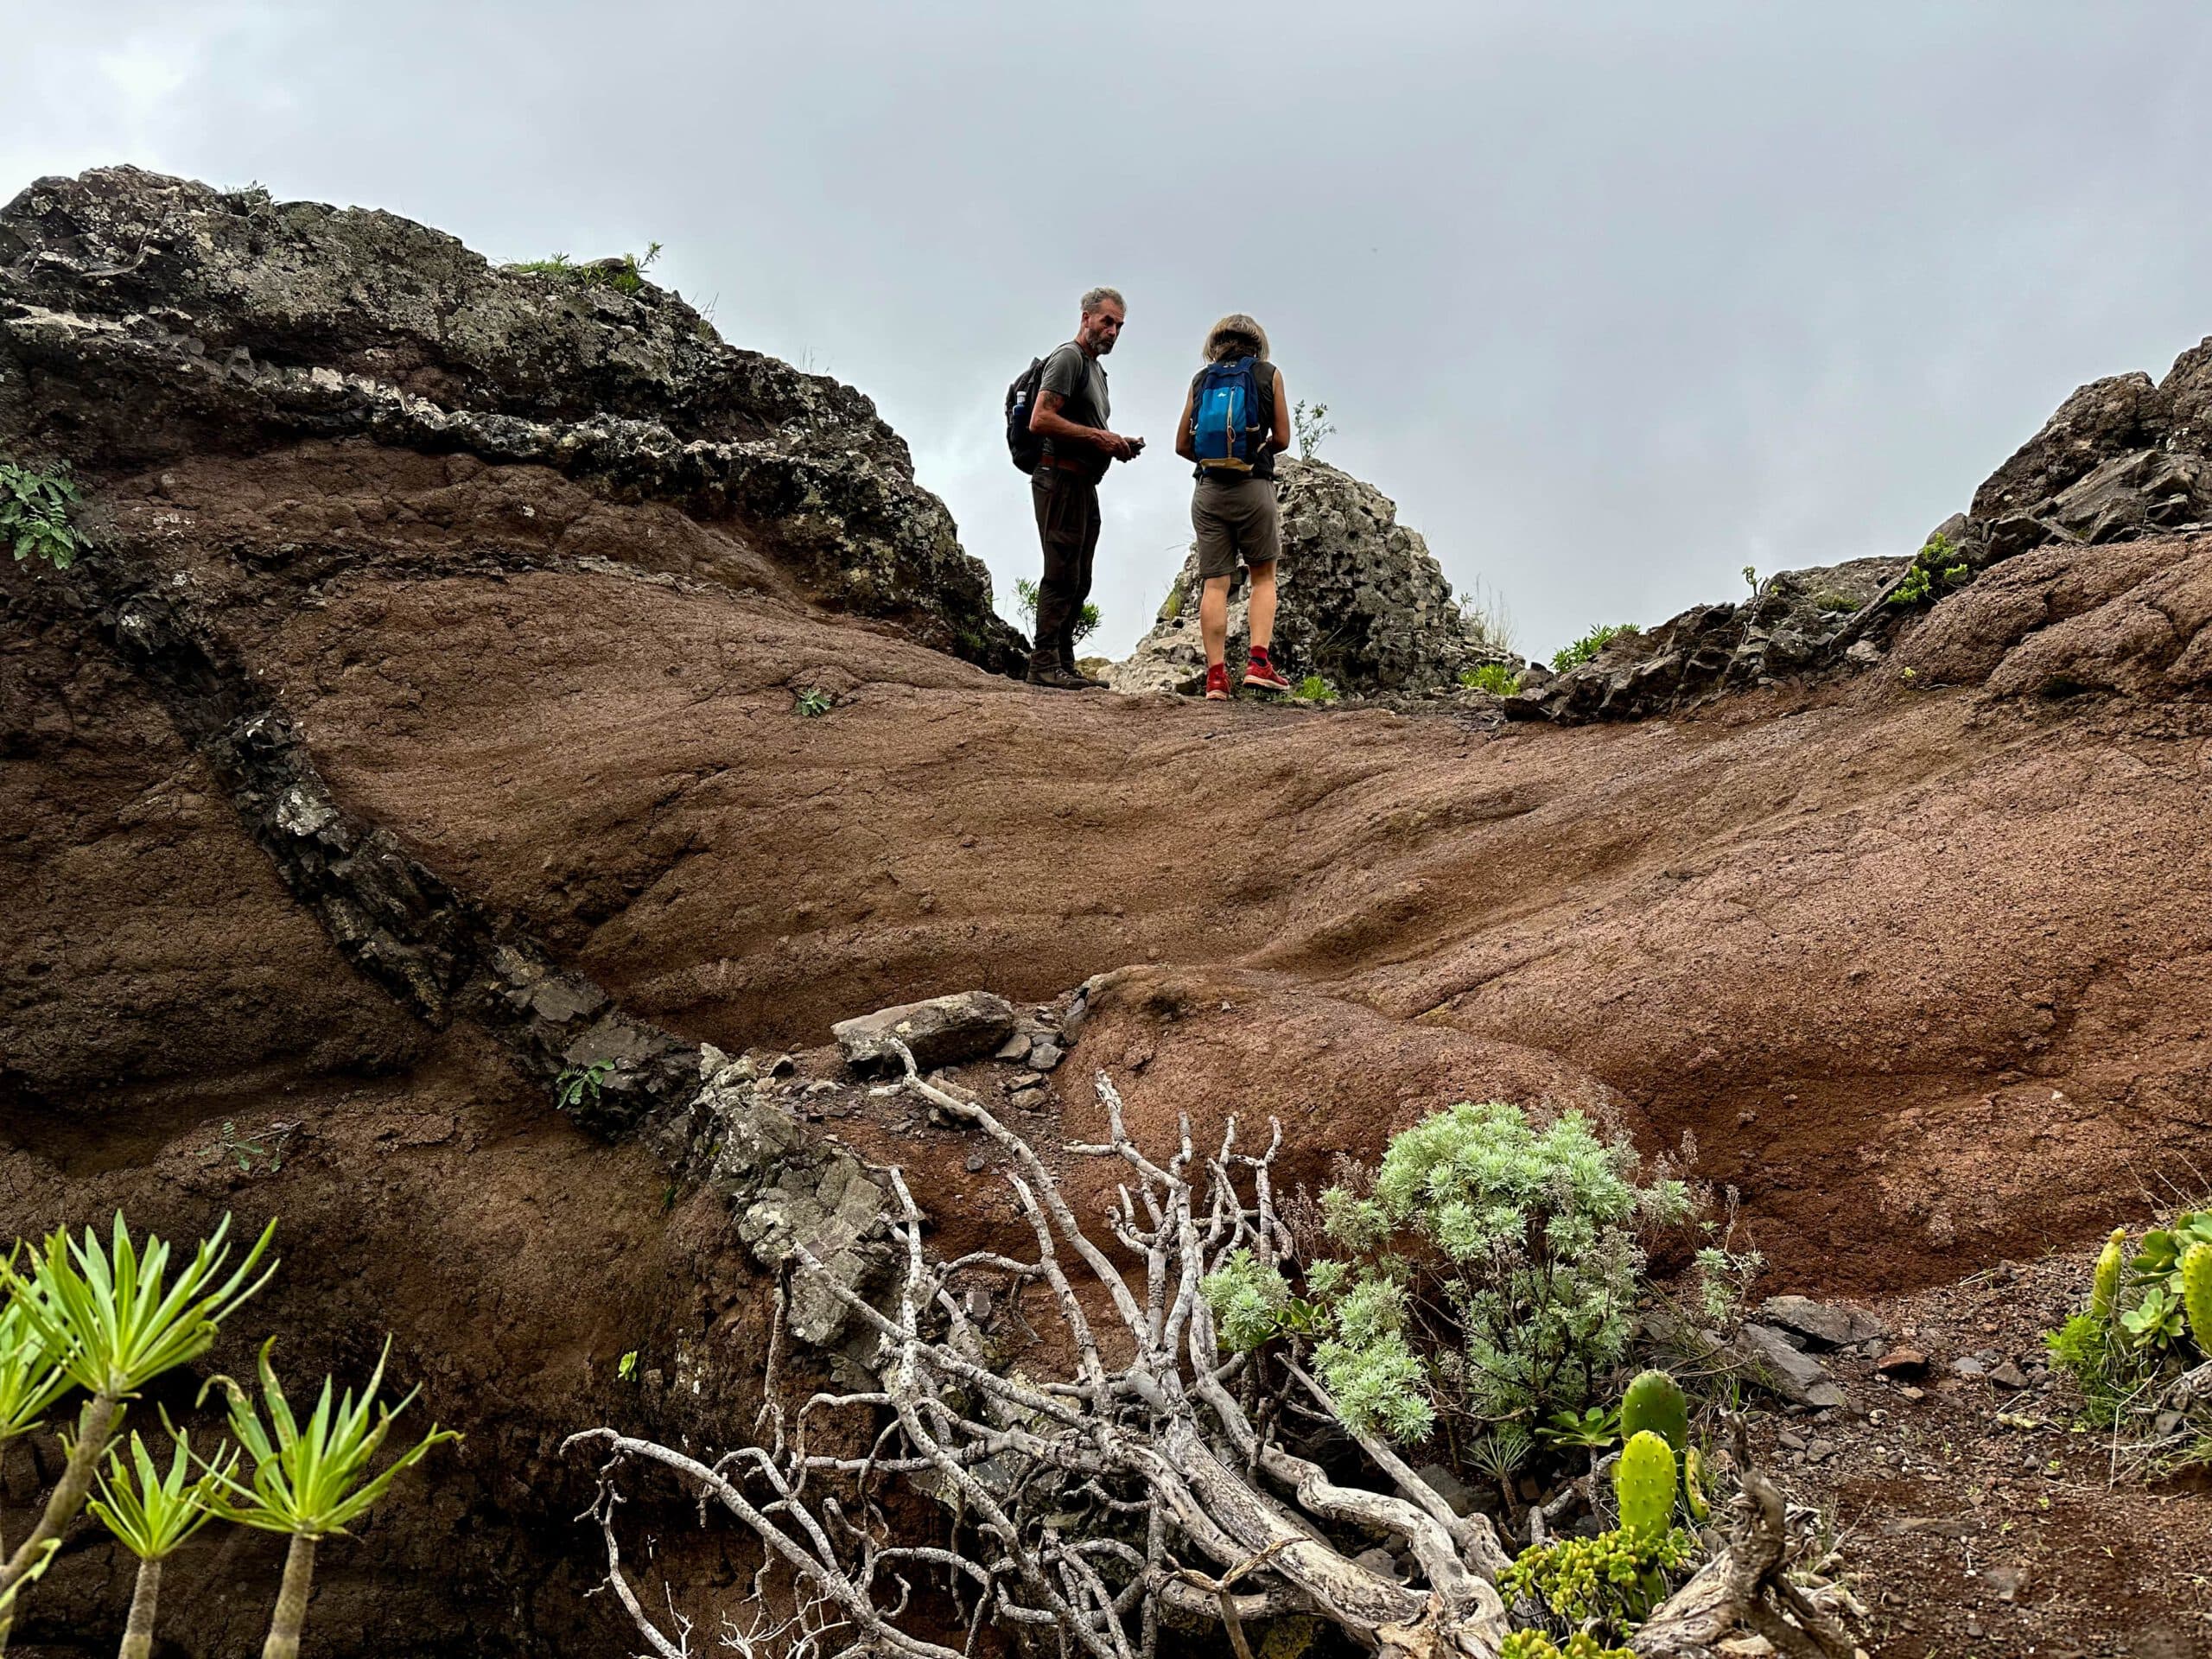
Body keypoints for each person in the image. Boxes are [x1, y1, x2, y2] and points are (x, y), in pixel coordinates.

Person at [1025, 287, 1146, 690]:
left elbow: (1087, 427)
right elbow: (1040, 419)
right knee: (1061, 571)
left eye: (1119, 326)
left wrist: (1117, 443)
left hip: (1081, 482)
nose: (1112, 331)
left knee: (1080, 576)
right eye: (1106, 321)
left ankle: (1062, 661)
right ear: (1086, 318)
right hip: (1058, 478)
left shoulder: (1095, 368)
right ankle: (1043, 663)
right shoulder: (1069, 359)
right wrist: (1100, 439)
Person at [1175, 314, 1294, 700]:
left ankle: (1215, 679)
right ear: (1257, 343)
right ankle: (1258, 664)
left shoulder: (1201, 380)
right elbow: (1284, 438)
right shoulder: (1268, 374)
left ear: (1215, 342)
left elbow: (1181, 446)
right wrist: (1253, 452)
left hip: (1209, 491)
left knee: (1215, 583)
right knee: (1263, 577)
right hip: (1253, 486)